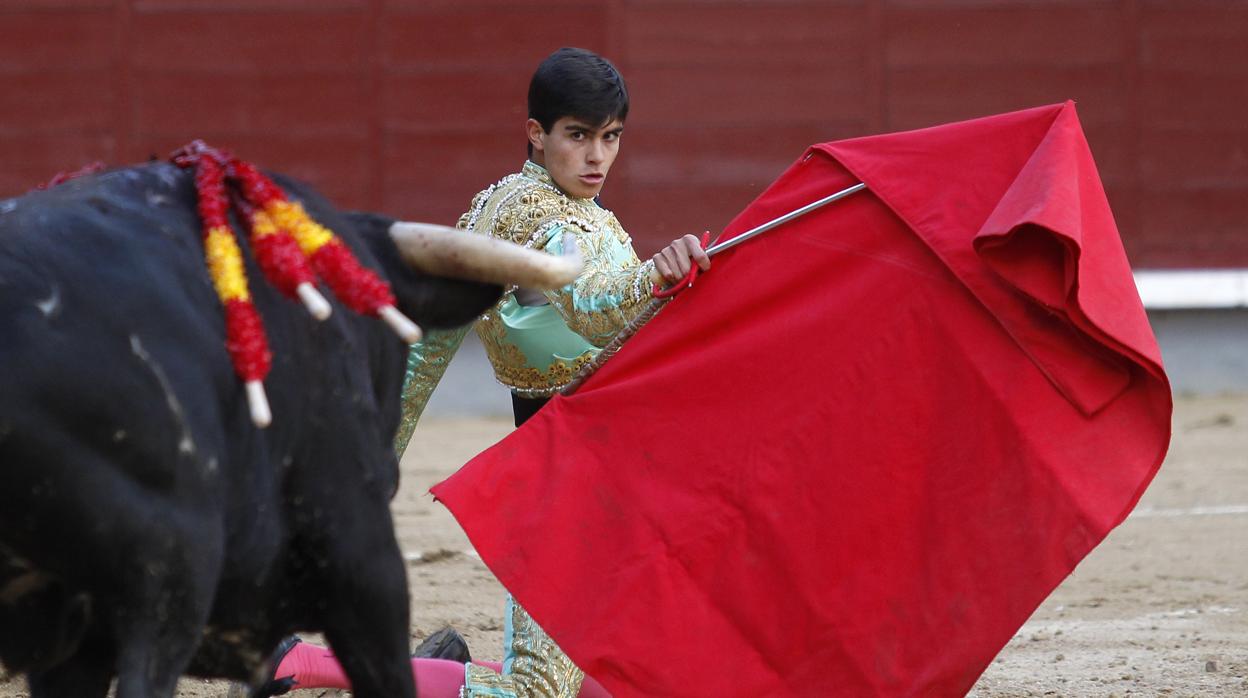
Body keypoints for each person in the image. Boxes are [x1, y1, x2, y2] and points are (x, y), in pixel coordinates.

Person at [262, 46, 709, 697]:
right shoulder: (543, 221)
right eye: (578, 136)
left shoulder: (491, 210)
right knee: (539, 691)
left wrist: (371, 469)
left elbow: (420, 360)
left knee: (601, 682)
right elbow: (591, 307)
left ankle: (417, 669)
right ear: (537, 133)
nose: (597, 158)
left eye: (610, 138)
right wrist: (655, 275)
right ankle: (300, 668)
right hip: (568, 476)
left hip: (600, 471)